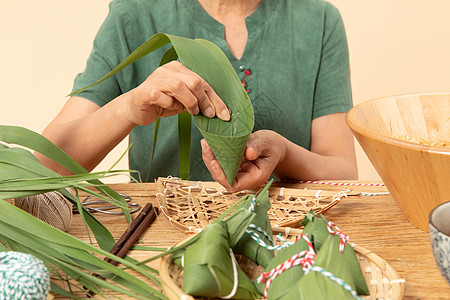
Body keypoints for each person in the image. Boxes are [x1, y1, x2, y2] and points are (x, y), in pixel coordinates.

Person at [36, 0, 357, 193]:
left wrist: (284, 154)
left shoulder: (318, 20)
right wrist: (130, 107)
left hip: (284, 239)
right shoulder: (134, 15)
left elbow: (343, 173)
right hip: (160, 243)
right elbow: (43, 167)